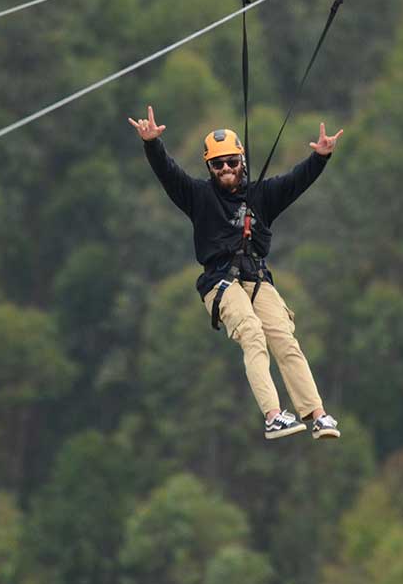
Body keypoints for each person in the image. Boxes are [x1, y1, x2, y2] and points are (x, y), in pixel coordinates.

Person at [128, 105, 343, 440]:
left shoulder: (262, 195)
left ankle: (317, 415)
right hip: (221, 282)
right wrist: (152, 144)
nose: (225, 168)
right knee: (252, 333)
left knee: (284, 338)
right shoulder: (198, 197)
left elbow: (295, 182)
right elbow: (170, 174)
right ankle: (273, 415)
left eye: (231, 161)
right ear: (209, 167)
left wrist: (321, 158)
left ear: (242, 161)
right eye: (218, 164)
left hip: (257, 279)